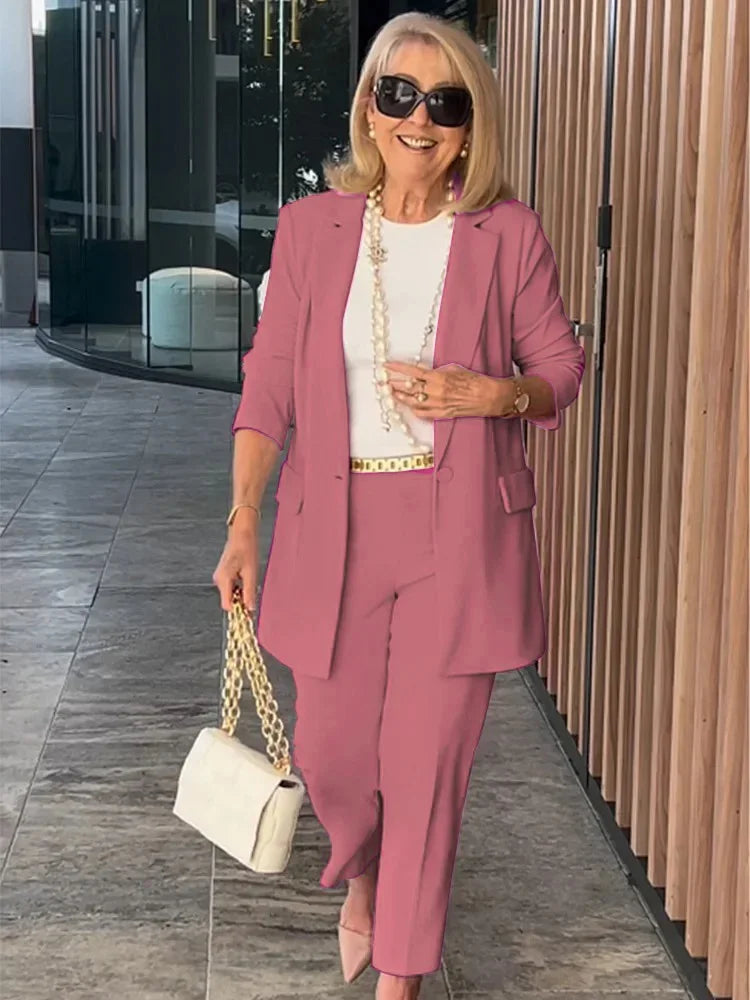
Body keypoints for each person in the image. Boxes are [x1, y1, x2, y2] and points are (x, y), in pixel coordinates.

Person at [213, 12, 586, 1000]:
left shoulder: (506, 234)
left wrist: (491, 393)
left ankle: (402, 974)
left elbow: (560, 367)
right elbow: (268, 388)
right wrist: (244, 519)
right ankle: (364, 871)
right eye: (400, 94)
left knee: (426, 770)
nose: (420, 118)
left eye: (445, 103)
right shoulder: (314, 229)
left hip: (459, 536)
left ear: (469, 127)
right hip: (333, 531)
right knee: (334, 756)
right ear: (370, 108)